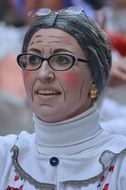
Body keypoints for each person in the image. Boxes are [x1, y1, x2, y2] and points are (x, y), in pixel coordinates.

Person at [1, 6, 126, 190]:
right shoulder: (6, 155)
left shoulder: (120, 163)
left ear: (95, 75)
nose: (43, 74)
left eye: (62, 60)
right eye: (34, 59)